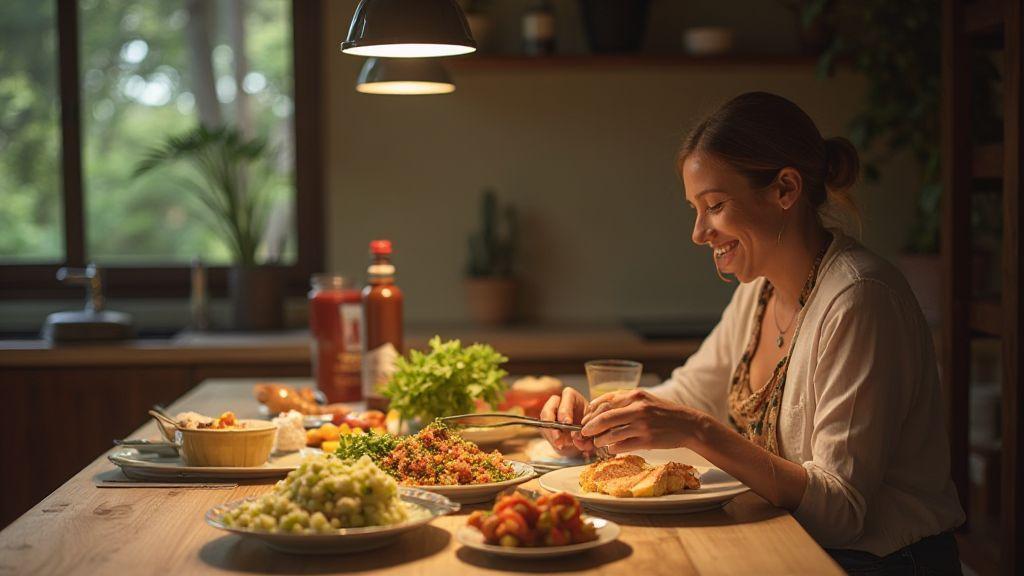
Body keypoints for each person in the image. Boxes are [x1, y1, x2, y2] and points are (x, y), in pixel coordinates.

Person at [541, 92, 965, 575]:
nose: (699, 233)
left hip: (881, 562)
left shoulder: (859, 298)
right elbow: (688, 394)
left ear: (785, 188)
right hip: (793, 544)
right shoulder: (759, 292)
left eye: (715, 206)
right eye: (695, 210)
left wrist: (697, 430)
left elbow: (842, 514)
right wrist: (601, 418)